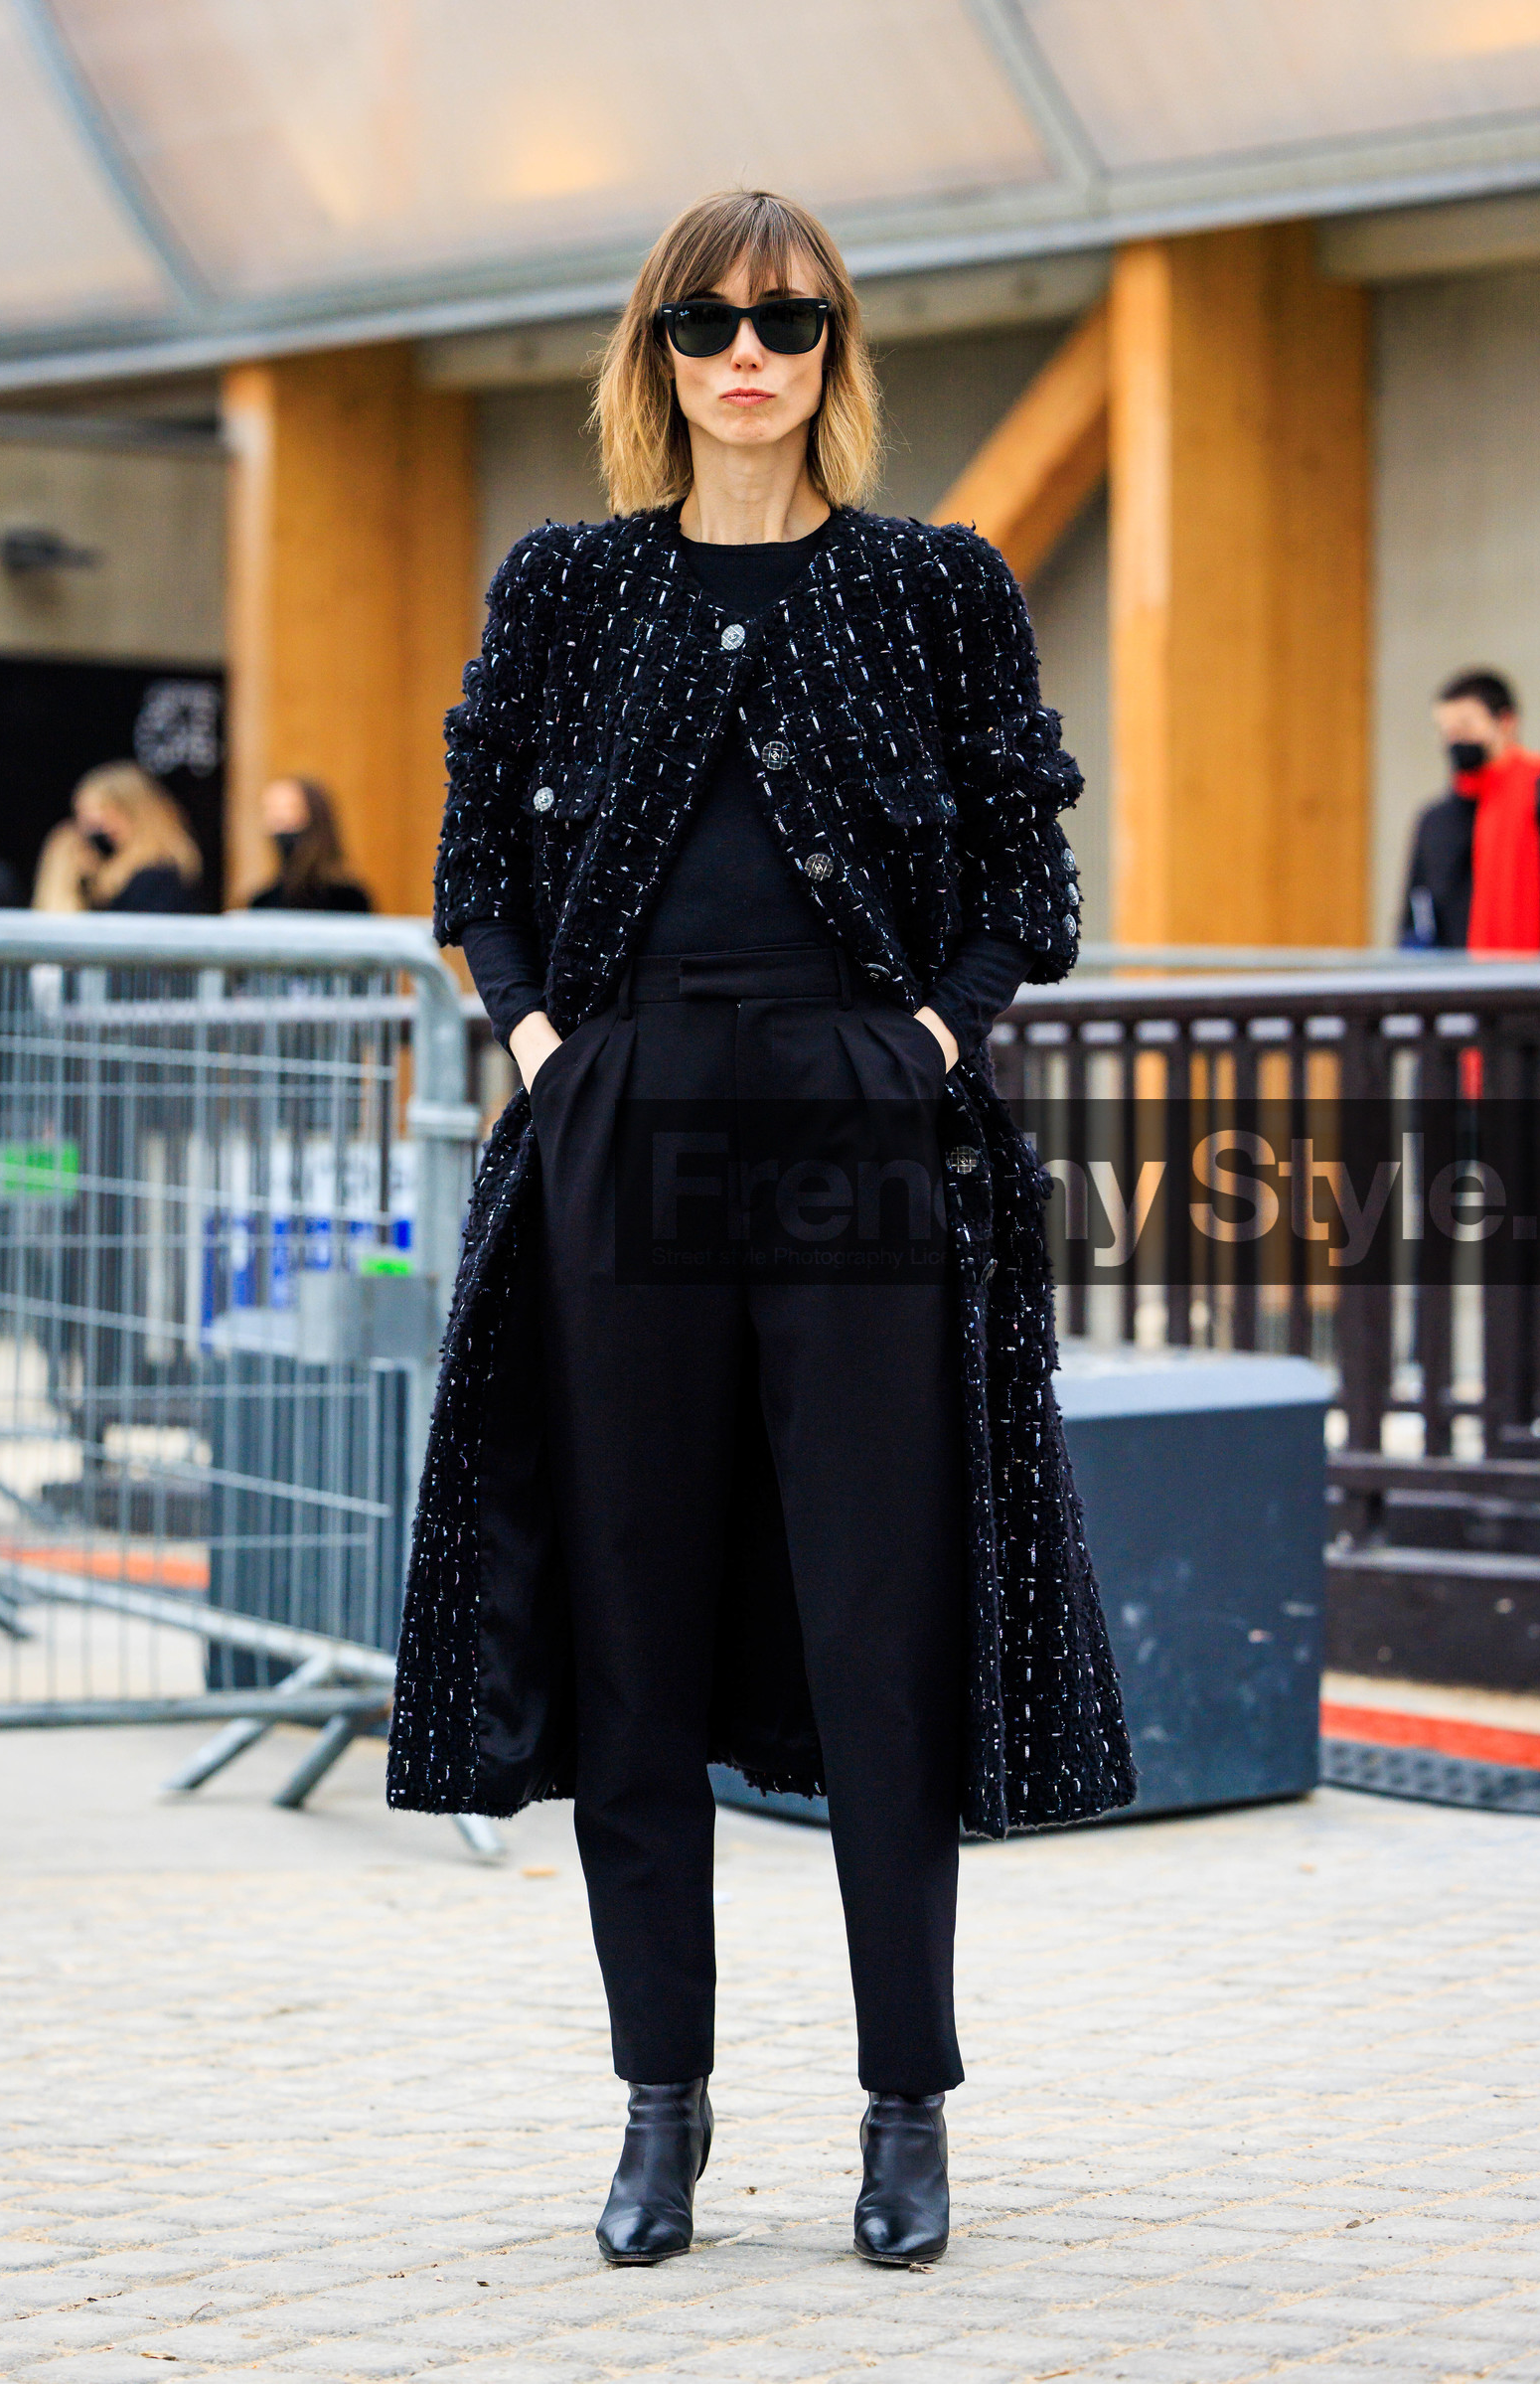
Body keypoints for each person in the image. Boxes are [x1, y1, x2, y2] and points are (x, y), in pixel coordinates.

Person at [386, 189, 1135, 2271]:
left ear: (832, 353)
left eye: (787, 320)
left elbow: (1021, 874)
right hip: (619, 1124)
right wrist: (541, 1038)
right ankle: (659, 2105)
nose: (748, 351)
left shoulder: (931, 587)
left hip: (852, 1131)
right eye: (708, 319)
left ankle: (905, 2104)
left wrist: (919, 1038)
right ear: (654, 353)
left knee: (876, 1617)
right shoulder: (565, 589)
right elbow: (474, 846)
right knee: (632, 1628)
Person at [1399, 670, 1540, 950]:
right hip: (1462, 986)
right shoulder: (1436, 821)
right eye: (1446, 731)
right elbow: (1418, 915)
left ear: (1506, 723)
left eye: (1465, 727)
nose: (1454, 740)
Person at [64, 762, 204, 914]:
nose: (94, 832)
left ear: (133, 812)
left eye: (102, 817)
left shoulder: (156, 878)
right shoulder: (114, 874)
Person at [246, 776, 372, 912]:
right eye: (270, 809)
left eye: (289, 808)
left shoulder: (348, 898)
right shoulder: (263, 901)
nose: (278, 819)